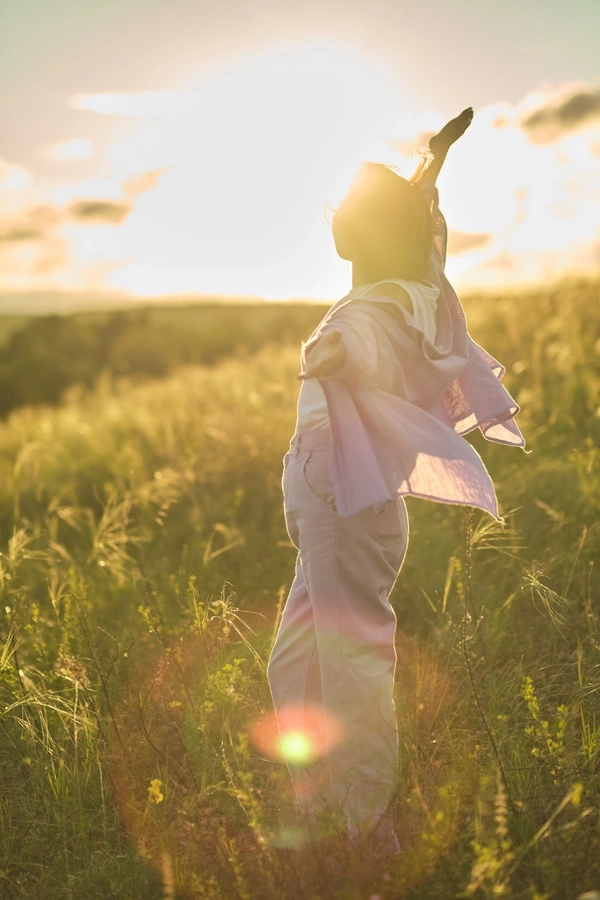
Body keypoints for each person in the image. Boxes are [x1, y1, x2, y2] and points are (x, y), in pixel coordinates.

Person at [266, 108, 524, 861]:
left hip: (346, 515)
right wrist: (429, 166)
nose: (335, 219)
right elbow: (417, 222)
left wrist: (335, 355)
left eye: (346, 210)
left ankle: (368, 828)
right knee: (296, 660)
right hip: (339, 513)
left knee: (352, 664)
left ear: (371, 229)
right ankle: (313, 796)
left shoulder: (370, 318)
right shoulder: (412, 284)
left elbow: (368, 355)